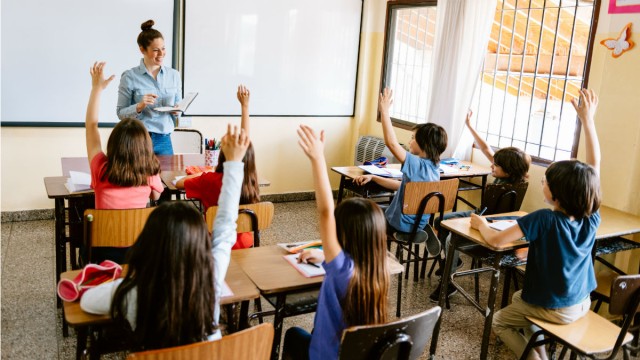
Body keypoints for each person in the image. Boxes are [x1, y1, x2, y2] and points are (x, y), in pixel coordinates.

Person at [80, 124, 250, 351]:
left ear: (148, 245)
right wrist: (234, 164)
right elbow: (226, 227)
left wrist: (124, 282)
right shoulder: (211, 282)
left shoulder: (133, 292)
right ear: (201, 250)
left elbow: (87, 301)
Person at [469, 89, 600, 360]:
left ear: (557, 193)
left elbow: (496, 241)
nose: (542, 182)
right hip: (582, 302)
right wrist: (588, 121)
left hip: (554, 307)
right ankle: (539, 352)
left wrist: (481, 224)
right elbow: (594, 169)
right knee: (519, 300)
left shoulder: (544, 218)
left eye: (546, 181)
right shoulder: (591, 217)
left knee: (501, 321)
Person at [282, 125, 390, 360]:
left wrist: (317, 158)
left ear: (343, 234)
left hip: (327, 356)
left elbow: (325, 212)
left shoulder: (342, 270)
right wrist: (323, 257)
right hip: (356, 354)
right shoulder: (380, 269)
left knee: (292, 334)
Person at [429, 110, 532, 301]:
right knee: (441, 221)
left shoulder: (505, 187)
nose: (492, 166)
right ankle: (452, 261)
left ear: (508, 169)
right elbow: (485, 148)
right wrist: (470, 127)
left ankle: (448, 280)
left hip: (488, 220)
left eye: (496, 166)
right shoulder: (515, 178)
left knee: (450, 233)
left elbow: (486, 216)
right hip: (483, 215)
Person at [85, 62, 164, 263]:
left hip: (101, 255)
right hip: (139, 253)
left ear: (114, 143)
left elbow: (91, 126)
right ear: (144, 147)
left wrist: (97, 89)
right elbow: (156, 194)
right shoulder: (149, 171)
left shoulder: (100, 168)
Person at [175, 85, 259, 249]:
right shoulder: (250, 179)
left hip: (216, 242)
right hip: (246, 244)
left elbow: (179, 184)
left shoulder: (209, 180)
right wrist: (245, 107)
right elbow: (244, 144)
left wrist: (205, 173)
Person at [355, 88, 447, 235]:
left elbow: (391, 144)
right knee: (373, 209)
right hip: (417, 224)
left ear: (423, 143)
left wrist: (384, 112)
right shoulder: (434, 167)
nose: (409, 141)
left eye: (413, 138)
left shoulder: (417, 164)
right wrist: (374, 177)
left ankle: (366, 252)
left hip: (400, 222)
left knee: (358, 214)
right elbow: (403, 187)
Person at [117, 19, 181, 155]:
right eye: (156, 50)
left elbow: (179, 107)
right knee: (139, 177)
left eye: (163, 48)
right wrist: (139, 106)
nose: (161, 54)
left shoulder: (174, 75)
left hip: (164, 139)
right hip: (138, 139)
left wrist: (177, 111)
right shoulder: (129, 76)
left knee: (167, 176)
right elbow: (120, 113)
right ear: (142, 50)